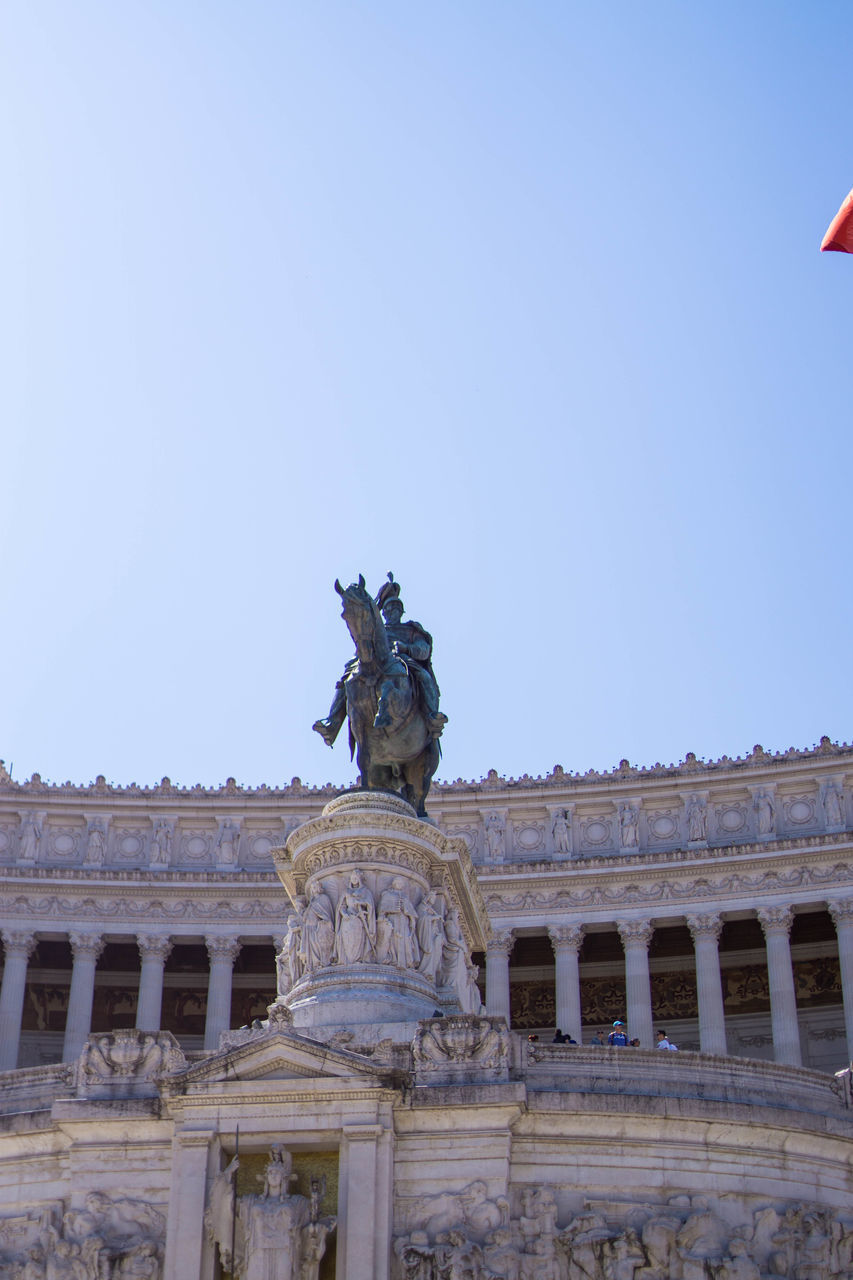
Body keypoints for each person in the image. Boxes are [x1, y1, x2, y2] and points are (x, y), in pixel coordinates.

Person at [314, 573, 446, 745]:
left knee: (424, 677)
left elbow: (424, 650)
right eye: (389, 609)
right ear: (383, 612)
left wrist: (407, 648)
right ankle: (332, 724)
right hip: (373, 662)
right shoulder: (377, 629)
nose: (392, 612)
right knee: (346, 679)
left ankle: (431, 718)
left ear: (401, 611)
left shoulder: (410, 629)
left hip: (403, 660)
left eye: (396, 609)